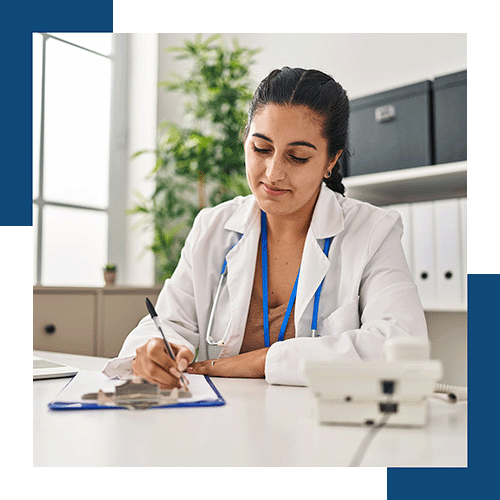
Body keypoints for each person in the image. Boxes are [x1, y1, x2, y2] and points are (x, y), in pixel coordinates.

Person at [103, 67, 428, 387]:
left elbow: (402, 346)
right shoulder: (212, 227)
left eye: (297, 157)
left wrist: (263, 360)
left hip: (321, 429)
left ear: (331, 161)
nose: (273, 173)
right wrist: (155, 351)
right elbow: (166, 324)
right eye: (261, 149)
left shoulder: (373, 230)